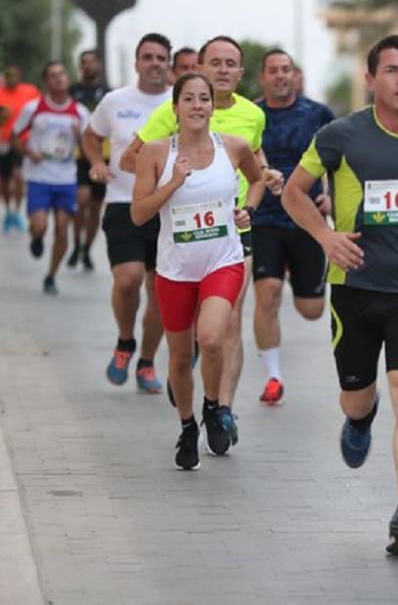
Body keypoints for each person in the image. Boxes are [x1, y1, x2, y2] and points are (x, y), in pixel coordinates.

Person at [282, 33, 398, 556]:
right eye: (393, 71)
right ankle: (359, 417)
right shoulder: (341, 135)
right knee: (357, 396)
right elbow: (294, 191)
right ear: (371, 78)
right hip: (355, 288)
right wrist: (325, 237)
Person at [122, 35, 279, 449]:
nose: (197, 106)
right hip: (176, 265)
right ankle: (188, 426)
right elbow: (138, 213)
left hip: (223, 258)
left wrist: (248, 208)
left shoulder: (234, 145)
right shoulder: (157, 152)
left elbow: (259, 177)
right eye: (188, 99)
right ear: (175, 108)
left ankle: (214, 407)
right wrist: (172, 183)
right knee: (178, 356)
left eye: (203, 100)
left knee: (212, 337)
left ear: (212, 106)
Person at [83, 33, 173, 393]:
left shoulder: (178, 102)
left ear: (168, 64)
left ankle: (147, 361)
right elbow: (91, 135)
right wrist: (96, 163)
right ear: (136, 63)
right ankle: (124, 342)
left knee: (160, 291)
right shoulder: (114, 101)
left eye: (160, 57)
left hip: (167, 206)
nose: (154, 63)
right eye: (147, 57)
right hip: (122, 202)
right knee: (128, 280)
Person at [252, 48, 334, 404]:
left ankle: (295, 274)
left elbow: (339, 161)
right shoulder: (252, 115)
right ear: (263, 77)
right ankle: (273, 376)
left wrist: (332, 197)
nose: (281, 76)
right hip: (265, 218)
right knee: (266, 293)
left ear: (295, 75)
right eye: (274, 70)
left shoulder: (318, 114)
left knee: (311, 310)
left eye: (286, 69)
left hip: (307, 220)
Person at [12, 61, 89, 295]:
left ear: (67, 78)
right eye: (53, 76)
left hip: (66, 179)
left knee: (63, 231)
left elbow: (89, 150)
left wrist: (79, 138)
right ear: (46, 81)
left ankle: (51, 275)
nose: (58, 79)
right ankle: (36, 237)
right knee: (40, 225)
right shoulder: (33, 107)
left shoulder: (80, 112)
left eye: (62, 74)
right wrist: (28, 151)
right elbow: (15, 135)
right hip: (39, 177)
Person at [68, 50, 111, 271]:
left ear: (99, 66)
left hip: (104, 157)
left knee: (95, 207)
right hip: (80, 156)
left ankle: (86, 249)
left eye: (92, 62)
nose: (88, 66)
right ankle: (75, 243)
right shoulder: (72, 91)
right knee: (81, 200)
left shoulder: (108, 93)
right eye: (84, 63)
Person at [0, 66, 41, 232]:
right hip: (3, 141)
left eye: (14, 75)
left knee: (18, 176)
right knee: (4, 180)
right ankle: (8, 210)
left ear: (19, 76)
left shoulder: (29, 91)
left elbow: (41, 111)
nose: (11, 78)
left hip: (22, 141)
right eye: (8, 75)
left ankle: (17, 211)